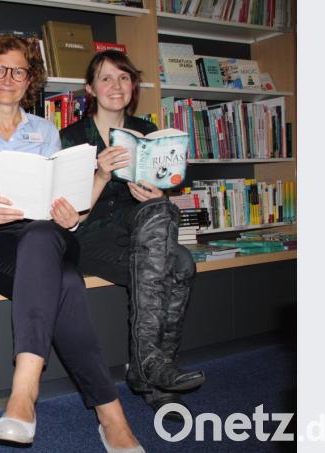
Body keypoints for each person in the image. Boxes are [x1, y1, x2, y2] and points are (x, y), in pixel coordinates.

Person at [0, 35, 145, 452]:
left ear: (30, 80)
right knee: (68, 285)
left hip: (50, 233)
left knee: (43, 232)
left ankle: (23, 393)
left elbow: (69, 201)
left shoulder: (45, 132)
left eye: (18, 70)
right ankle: (111, 417)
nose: (8, 78)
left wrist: (69, 214)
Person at [59, 50, 205, 419]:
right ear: (90, 88)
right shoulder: (71, 138)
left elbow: (164, 186)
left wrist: (159, 193)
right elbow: (68, 216)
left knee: (167, 223)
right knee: (181, 266)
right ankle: (153, 376)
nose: (115, 86)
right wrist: (101, 174)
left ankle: (150, 367)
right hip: (89, 234)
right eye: (106, 78)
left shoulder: (148, 131)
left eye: (124, 78)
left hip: (140, 228)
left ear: (133, 86)